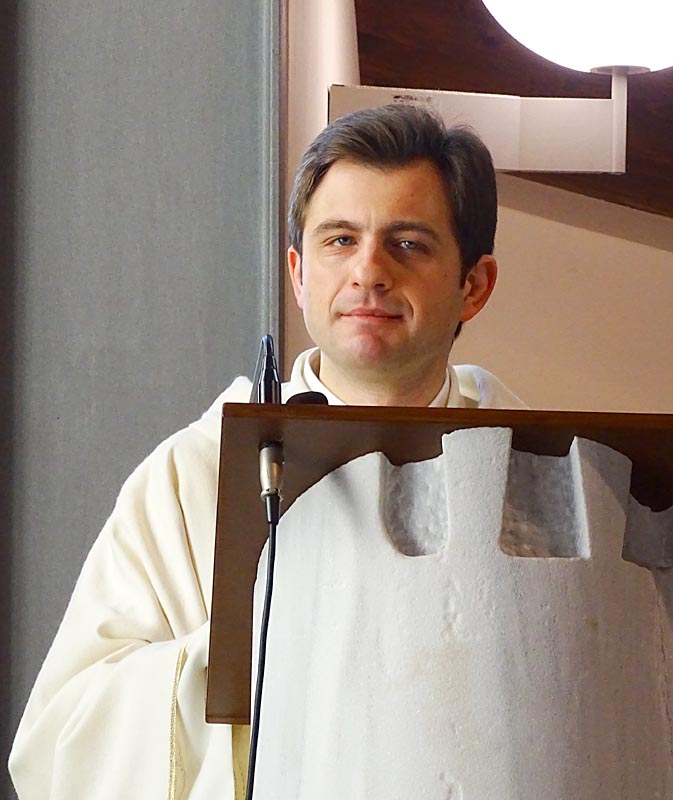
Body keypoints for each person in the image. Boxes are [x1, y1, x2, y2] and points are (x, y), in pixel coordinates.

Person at [8, 103, 526, 799]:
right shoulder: (193, 476)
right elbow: (57, 744)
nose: (368, 271)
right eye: (339, 240)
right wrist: (258, 652)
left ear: (474, 285)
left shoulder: (538, 475)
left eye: (407, 243)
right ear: (298, 273)